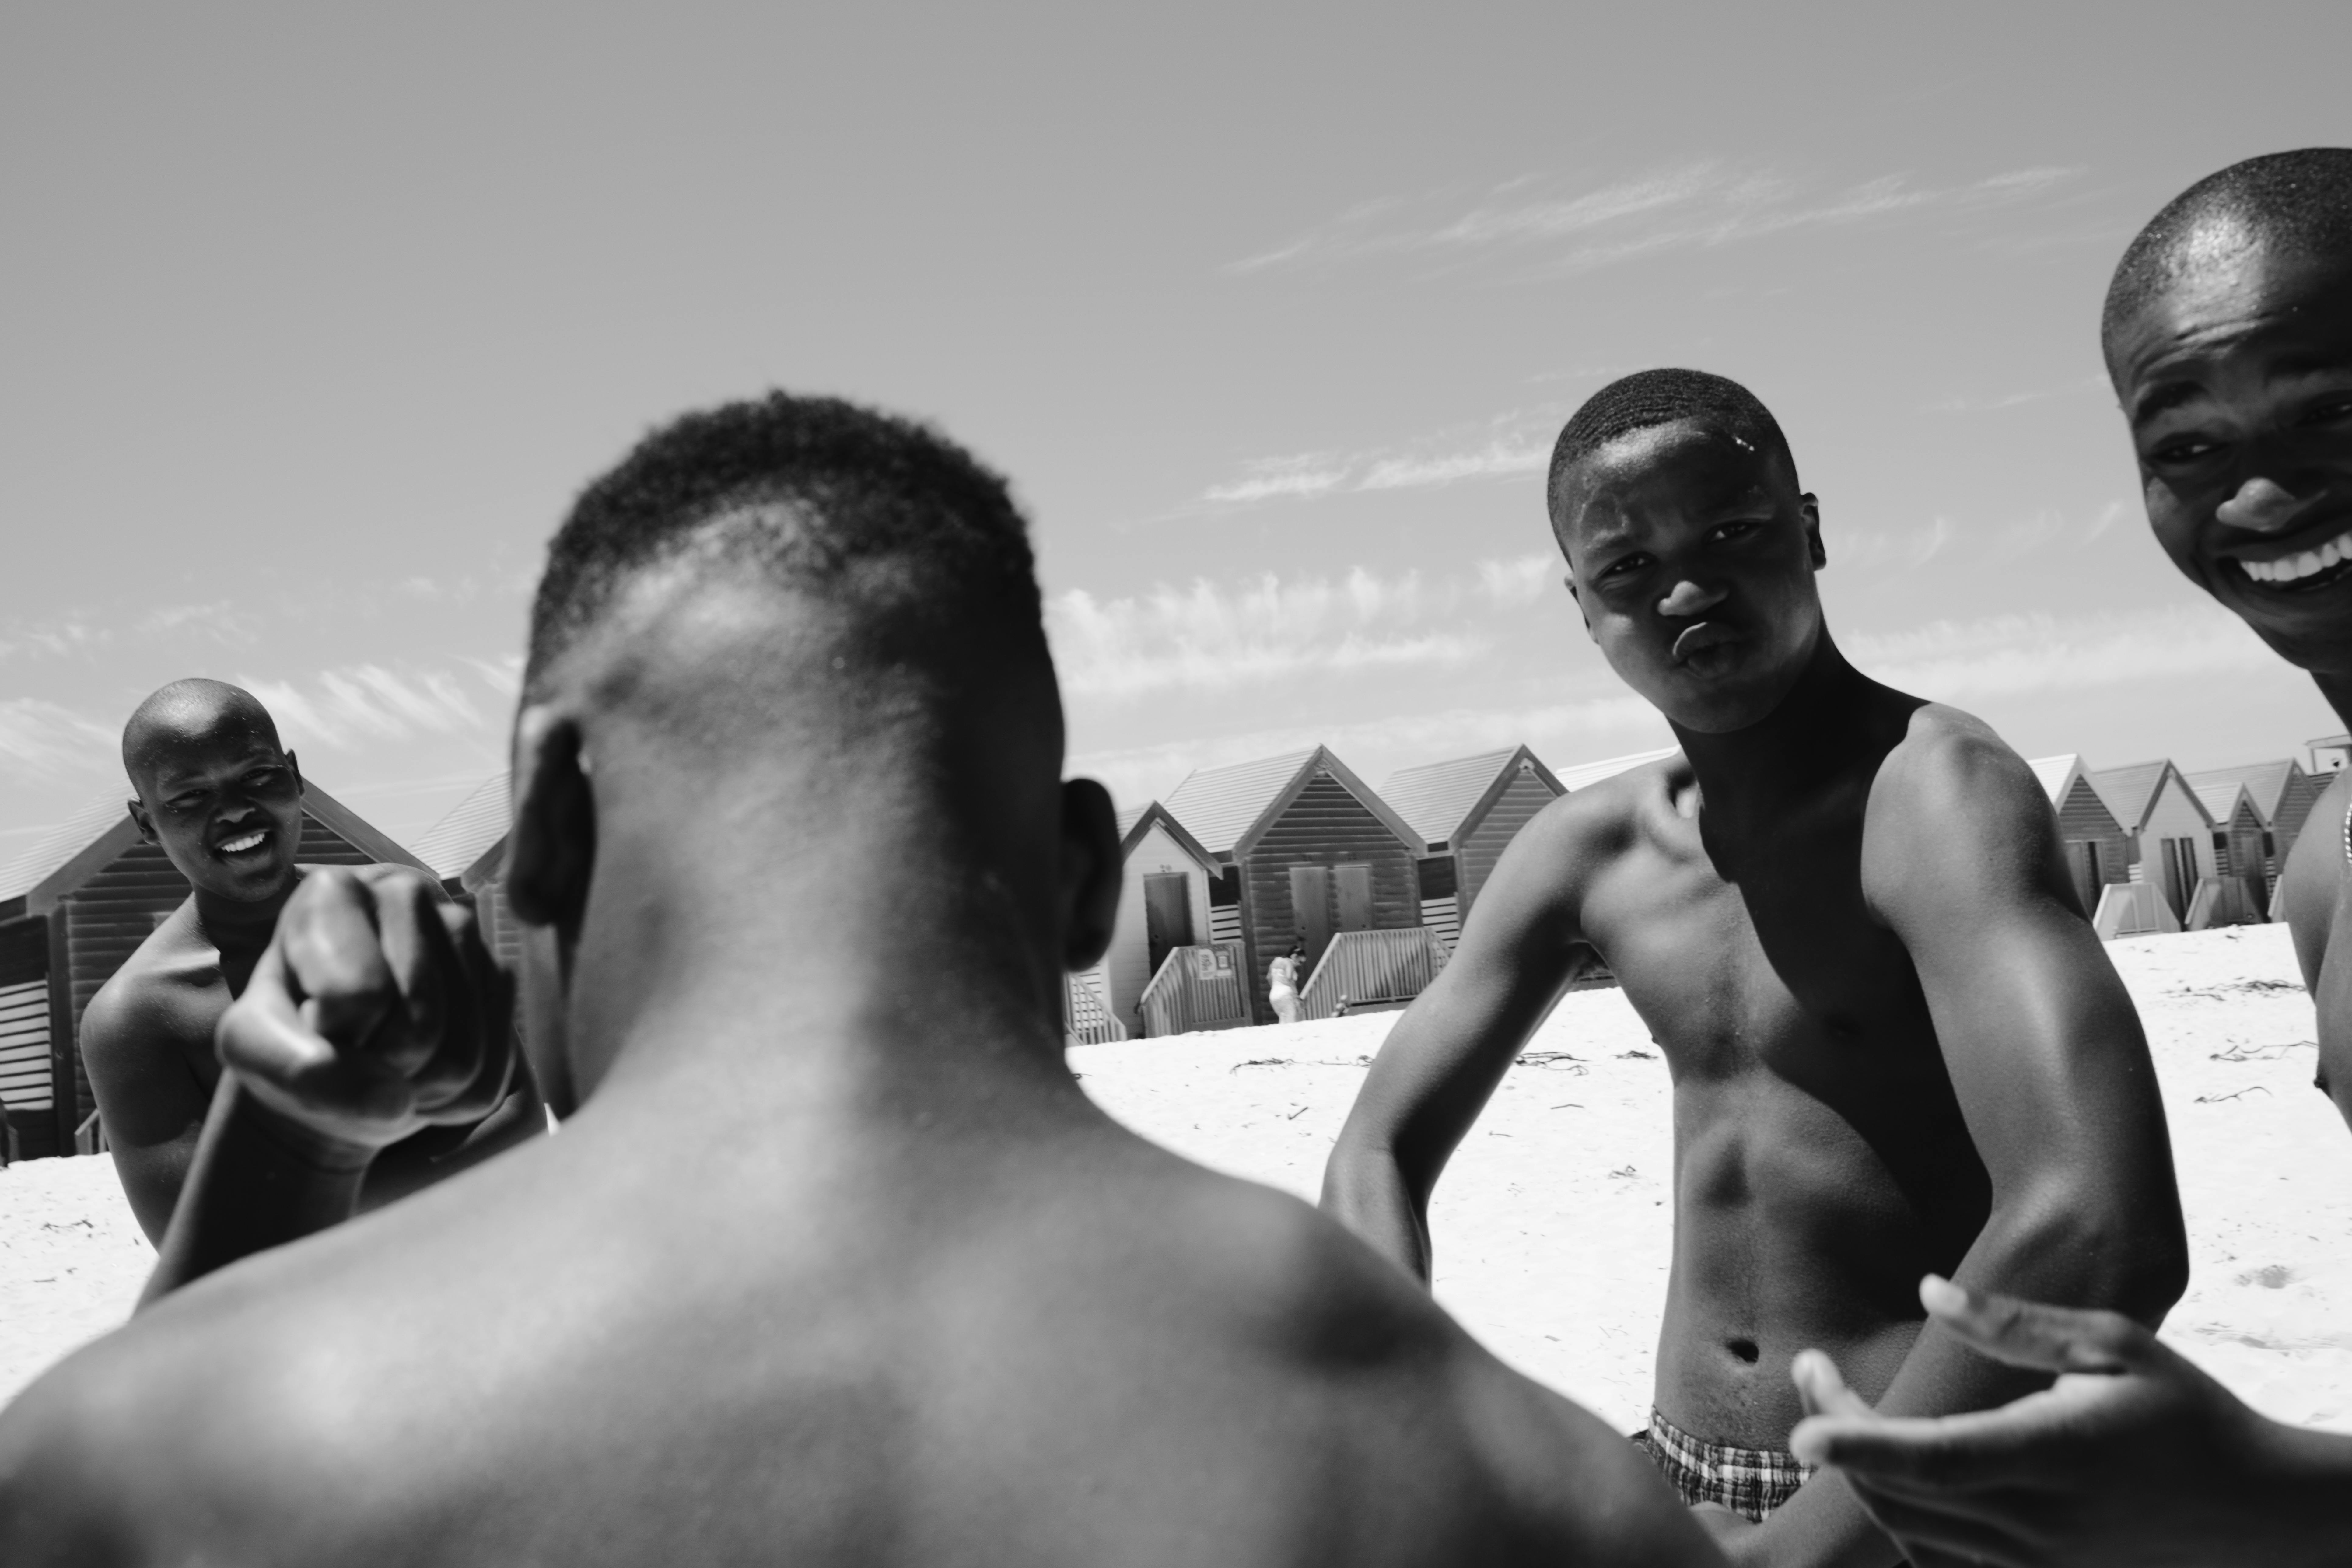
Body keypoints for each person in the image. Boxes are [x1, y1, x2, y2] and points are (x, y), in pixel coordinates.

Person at [0, 394, 1724, 1568]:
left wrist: (292, 1141)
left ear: (542, 834)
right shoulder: (1514, 1486)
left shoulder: (161, 1467)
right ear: (1083, 880)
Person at [1320, 369, 2190, 1566]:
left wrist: (1792, 1555)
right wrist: (1405, 1399)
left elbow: (2099, 1226)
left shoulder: (1935, 799)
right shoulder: (1596, 849)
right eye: (1626, 566)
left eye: (1730, 532)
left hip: (1925, 1494)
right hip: (1683, 1470)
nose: (1684, 590)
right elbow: (1376, 1146)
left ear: (1810, 529)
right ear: (1579, 604)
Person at [1790, 147, 2352, 1568]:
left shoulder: (1941, 786)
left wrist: (2277, 1493)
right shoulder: (2326, 867)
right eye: (2189, 447)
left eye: (2335, 411)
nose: (2264, 496)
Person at [77, 679, 538, 1249]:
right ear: (146, 822)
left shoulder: (401, 905)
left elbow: (518, 1118)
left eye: (256, 775)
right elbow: (197, 1241)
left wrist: (296, 1205)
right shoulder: (138, 1016)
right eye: (189, 796)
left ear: (294, 775)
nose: (235, 809)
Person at [1269, 936, 1307, 1024]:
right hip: (1286, 994)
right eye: (1301, 962)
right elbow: (1290, 979)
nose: (1300, 965)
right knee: (1291, 1022)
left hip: (1274, 996)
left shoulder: (1276, 961)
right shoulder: (1289, 963)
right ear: (1295, 957)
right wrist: (1297, 997)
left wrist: (1277, 989)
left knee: (1283, 1021)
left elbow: (1269, 978)